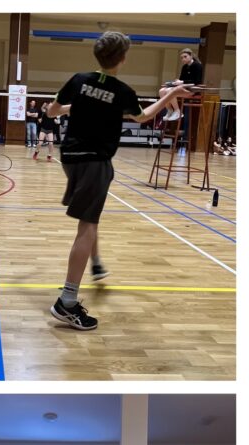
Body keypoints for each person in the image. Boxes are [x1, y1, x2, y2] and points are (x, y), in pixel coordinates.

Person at [47, 31, 191, 332]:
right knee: (87, 226)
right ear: (123, 58)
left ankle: (94, 264)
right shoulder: (123, 91)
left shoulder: (79, 80)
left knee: (90, 219)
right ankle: (67, 302)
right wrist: (172, 95)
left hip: (70, 157)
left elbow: (52, 111)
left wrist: (76, 105)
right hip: (95, 162)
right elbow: (142, 117)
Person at [159, 47, 204, 122]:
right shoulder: (184, 67)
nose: (183, 59)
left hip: (192, 90)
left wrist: (182, 82)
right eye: (182, 57)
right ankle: (170, 110)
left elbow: (197, 81)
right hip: (183, 88)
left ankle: (177, 112)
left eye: (185, 57)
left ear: (191, 56)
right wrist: (175, 82)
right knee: (162, 91)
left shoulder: (198, 65)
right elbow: (181, 79)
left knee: (170, 91)